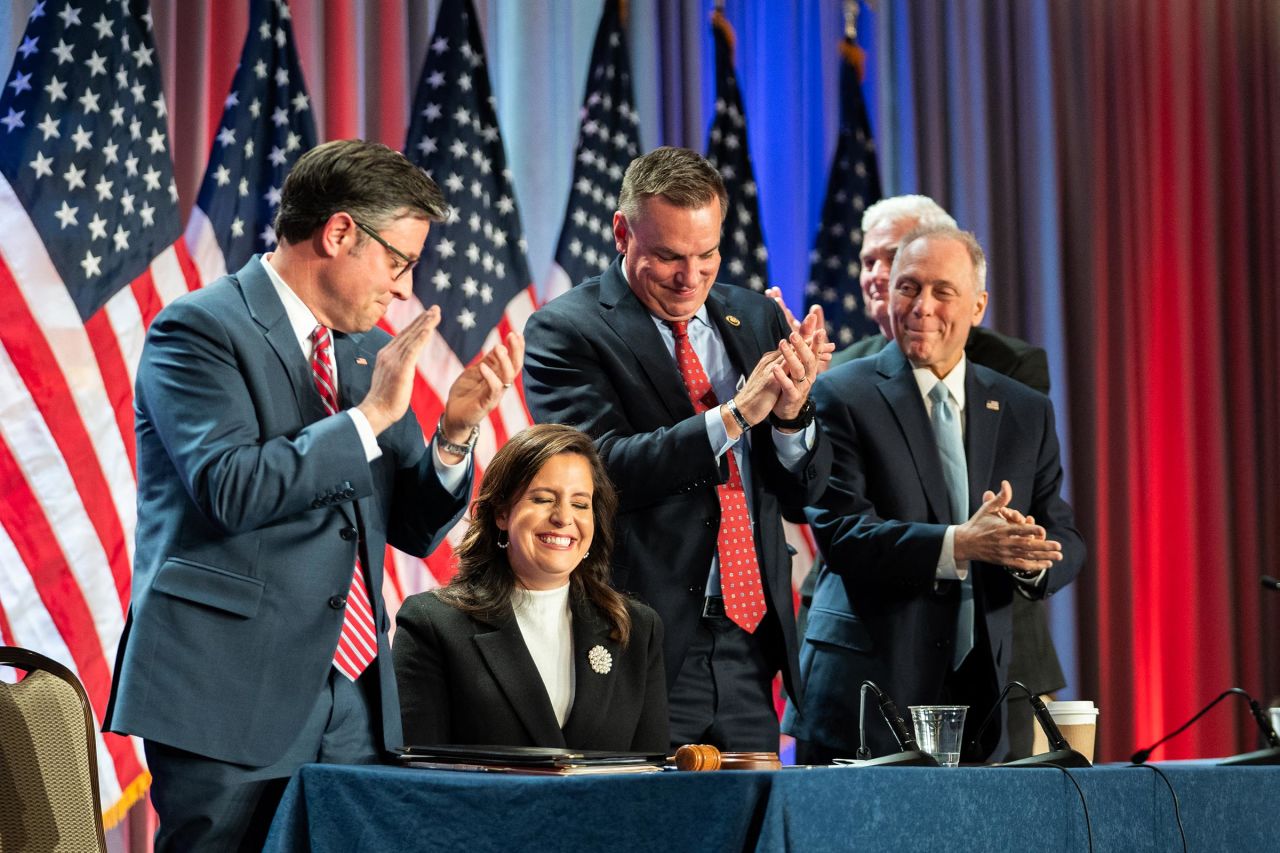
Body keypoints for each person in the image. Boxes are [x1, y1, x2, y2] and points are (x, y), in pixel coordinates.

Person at [103, 139, 523, 851]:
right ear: (338, 233)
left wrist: (455, 432)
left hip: (355, 698)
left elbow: (412, 525)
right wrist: (369, 419)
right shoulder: (200, 329)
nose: (402, 287)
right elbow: (229, 487)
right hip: (228, 693)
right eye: (399, 261)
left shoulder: (362, 351)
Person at [523, 146, 832, 752]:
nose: (690, 277)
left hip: (750, 640)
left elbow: (804, 495)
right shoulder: (568, 328)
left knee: (757, 835)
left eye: (707, 254)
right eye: (667, 256)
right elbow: (600, 471)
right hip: (639, 640)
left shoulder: (753, 317)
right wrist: (736, 415)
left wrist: (793, 415)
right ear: (622, 232)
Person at [771, 194, 1064, 759]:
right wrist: (961, 543)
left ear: (976, 304)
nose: (908, 297)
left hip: (988, 671)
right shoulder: (837, 384)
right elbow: (829, 518)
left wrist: (1031, 551)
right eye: (894, 277)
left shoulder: (1017, 390)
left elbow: (1056, 523)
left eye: (939, 289)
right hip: (870, 669)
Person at [393, 424, 668, 752]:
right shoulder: (432, 623)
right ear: (502, 513)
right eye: (543, 499)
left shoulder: (636, 628)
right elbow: (420, 776)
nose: (563, 517)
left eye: (580, 504)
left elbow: (651, 779)